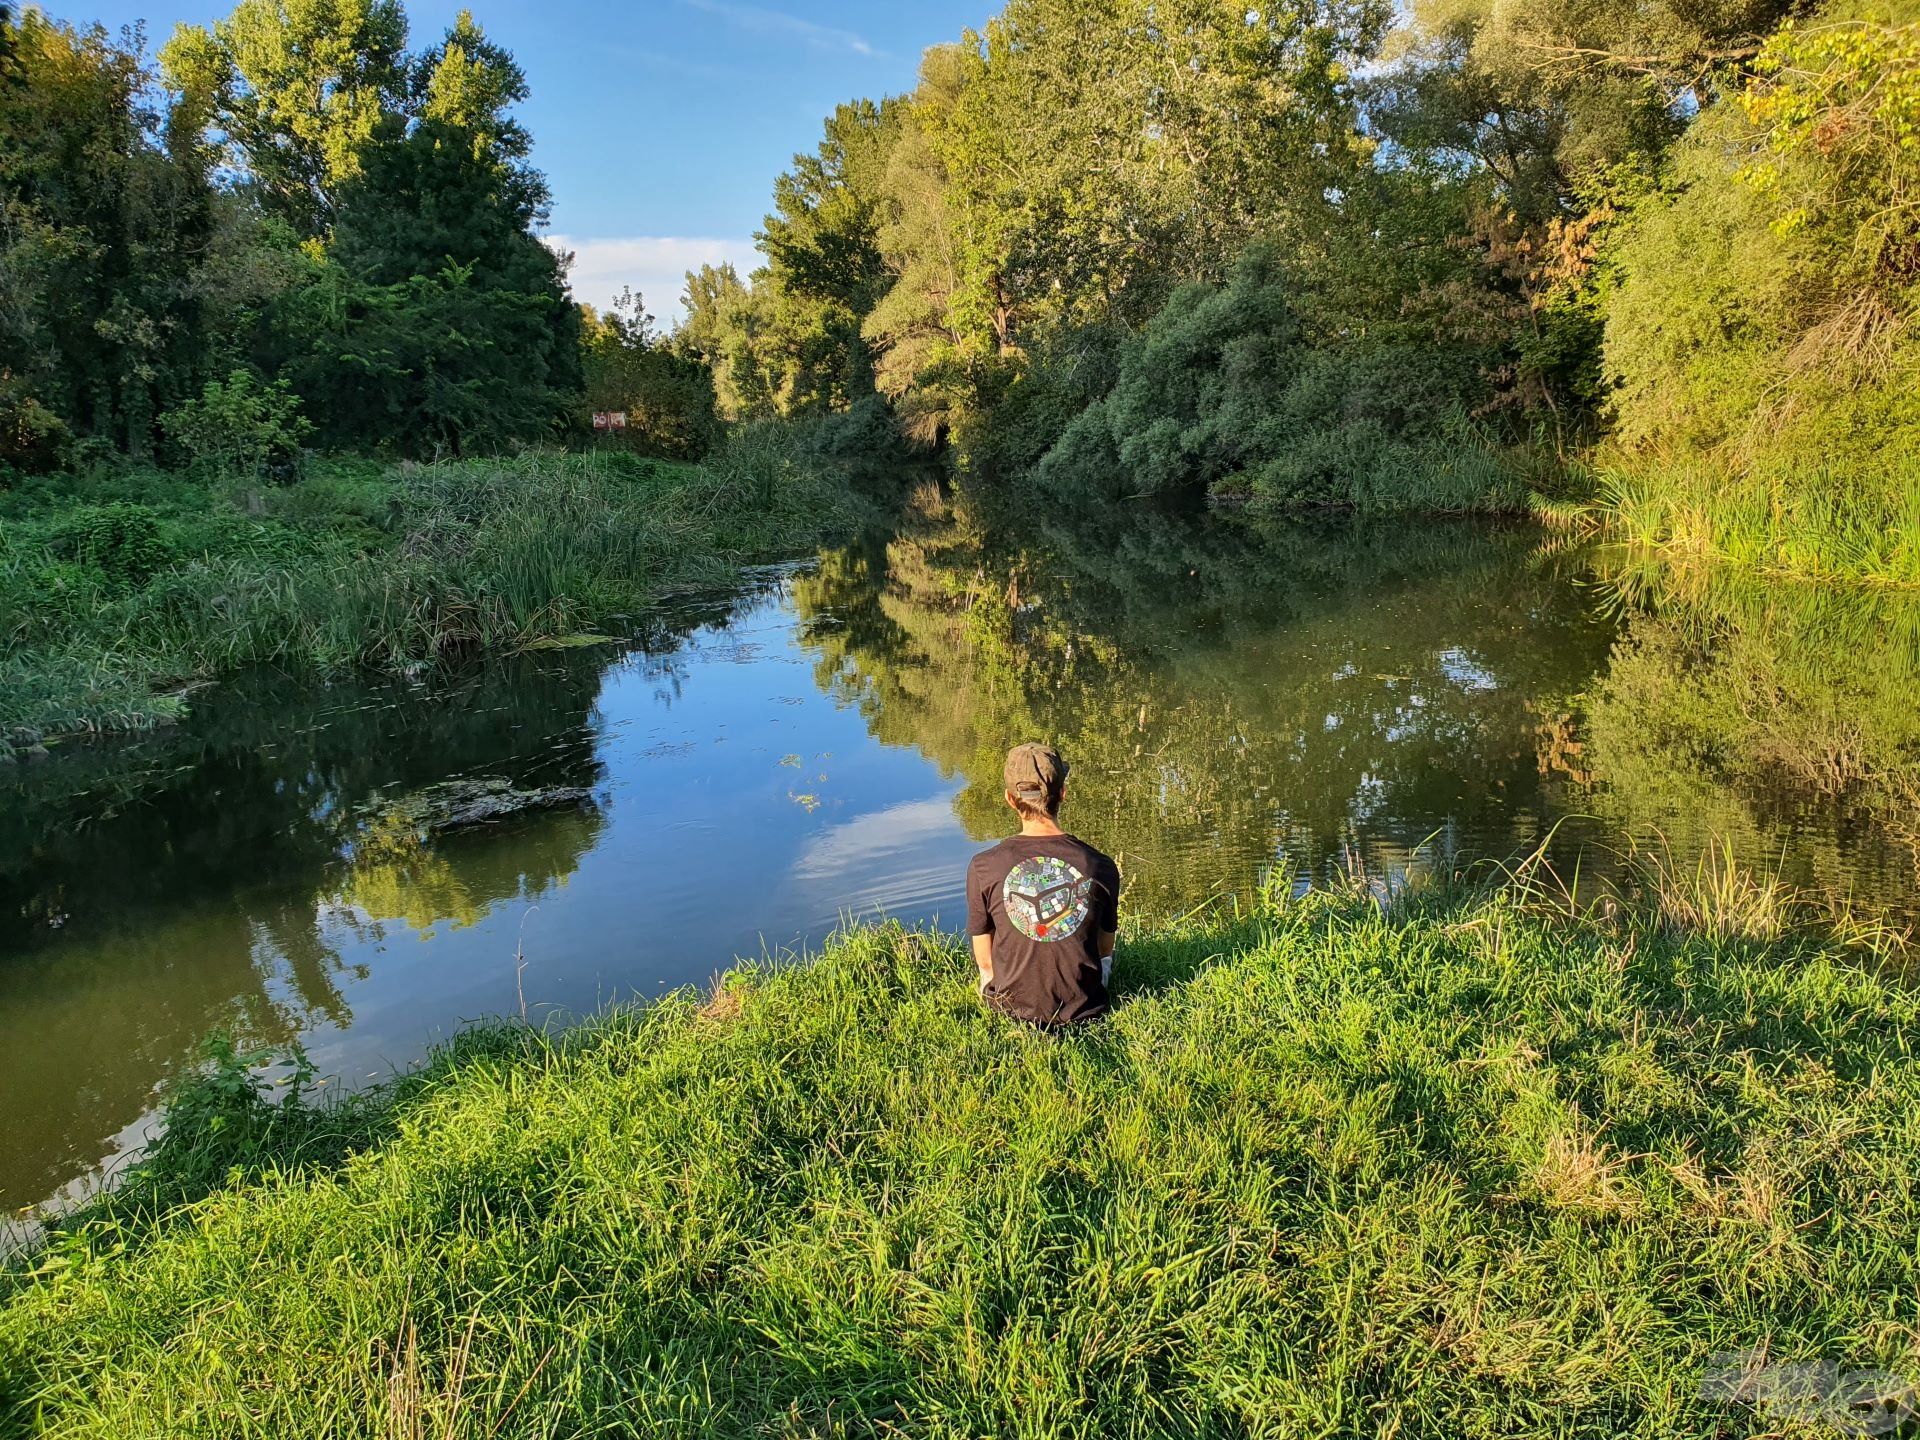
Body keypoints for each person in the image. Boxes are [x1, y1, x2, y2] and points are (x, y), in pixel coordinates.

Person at [965, 742, 1121, 1029]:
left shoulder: (983, 866)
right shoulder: (1100, 864)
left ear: (1010, 799)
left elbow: (985, 960)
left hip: (1009, 1009)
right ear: (1062, 793)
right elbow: (1105, 948)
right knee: (1108, 960)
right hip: (1085, 1008)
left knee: (988, 972)